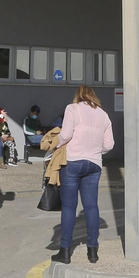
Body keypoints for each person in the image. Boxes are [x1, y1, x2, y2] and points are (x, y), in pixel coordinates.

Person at [53, 85, 114, 265]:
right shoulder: (104, 115)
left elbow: (65, 135)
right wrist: (95, 150)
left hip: (73, 161)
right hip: (94, 164)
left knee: (69, 207)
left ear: (78, 96)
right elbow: (109, 144)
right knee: (91, 207)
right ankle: (92, 252)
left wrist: (56, 145)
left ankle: (65, 252)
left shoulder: (72, 108)